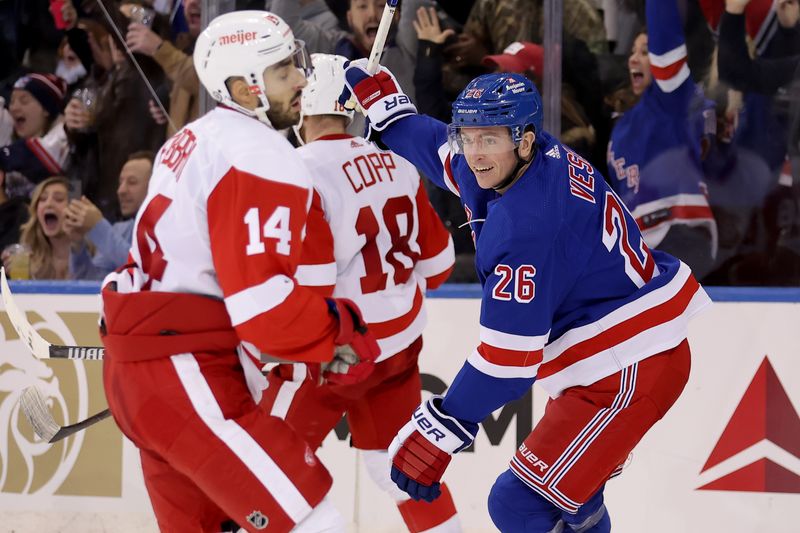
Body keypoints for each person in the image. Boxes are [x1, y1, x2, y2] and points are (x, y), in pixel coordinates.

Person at [338, 49, 711, 532]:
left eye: (488, 139)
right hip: (618, 351)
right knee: (571, 498)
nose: (474, 152)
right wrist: (392, 113)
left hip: (627, 369)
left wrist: (443, 427)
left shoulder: (526, 228)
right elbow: (442, 153)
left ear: (524, 140)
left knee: (517, 504)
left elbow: (506, 363)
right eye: (468, 135)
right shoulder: (530, 157)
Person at [99, 11, 381, 533]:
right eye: (281, 72)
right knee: (312, 517)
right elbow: (263, 307)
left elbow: (217, 285)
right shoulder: (257, 153)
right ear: (242, 88)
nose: (301, 79)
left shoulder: (191, 140)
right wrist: (335, 330)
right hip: (186, 375)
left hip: (143, 372)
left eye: (294, 64)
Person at [261, 53, 460, 533]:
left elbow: (310, 287)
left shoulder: (298, 170)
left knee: (263, 464)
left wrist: (264, 340)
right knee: (401, 471)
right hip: (397, 351)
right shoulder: (399, 164)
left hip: (334, 354)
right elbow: (440, 268)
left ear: (300, 110)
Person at [606, 0, 718, 281]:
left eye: (645, 51)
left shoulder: (673, 101)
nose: (633, 58)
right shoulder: (622, 125)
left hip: (681, 232)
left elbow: (667, 54)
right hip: (639, 248)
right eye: (632, 51)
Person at [65, 151, 153, 280]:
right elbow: (91, 281)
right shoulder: (119, 229)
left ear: (155, 186)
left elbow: (143, 272)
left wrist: (97, 226)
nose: (121, 190)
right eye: (120, 182)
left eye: (132, 182)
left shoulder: (165, 230)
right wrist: (77, 245)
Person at [0, 73, 69, 199]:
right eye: (12, 101)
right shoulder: (12, 139)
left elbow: (30, 156)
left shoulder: (64, 137)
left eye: (24, 101)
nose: (14, 108)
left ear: (46, 109)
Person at [2, 176, 71, 280]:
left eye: (59, 199)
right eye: (43, 199)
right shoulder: (30, 260)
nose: (48, 204)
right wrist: (25, 280)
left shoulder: (93, 257)